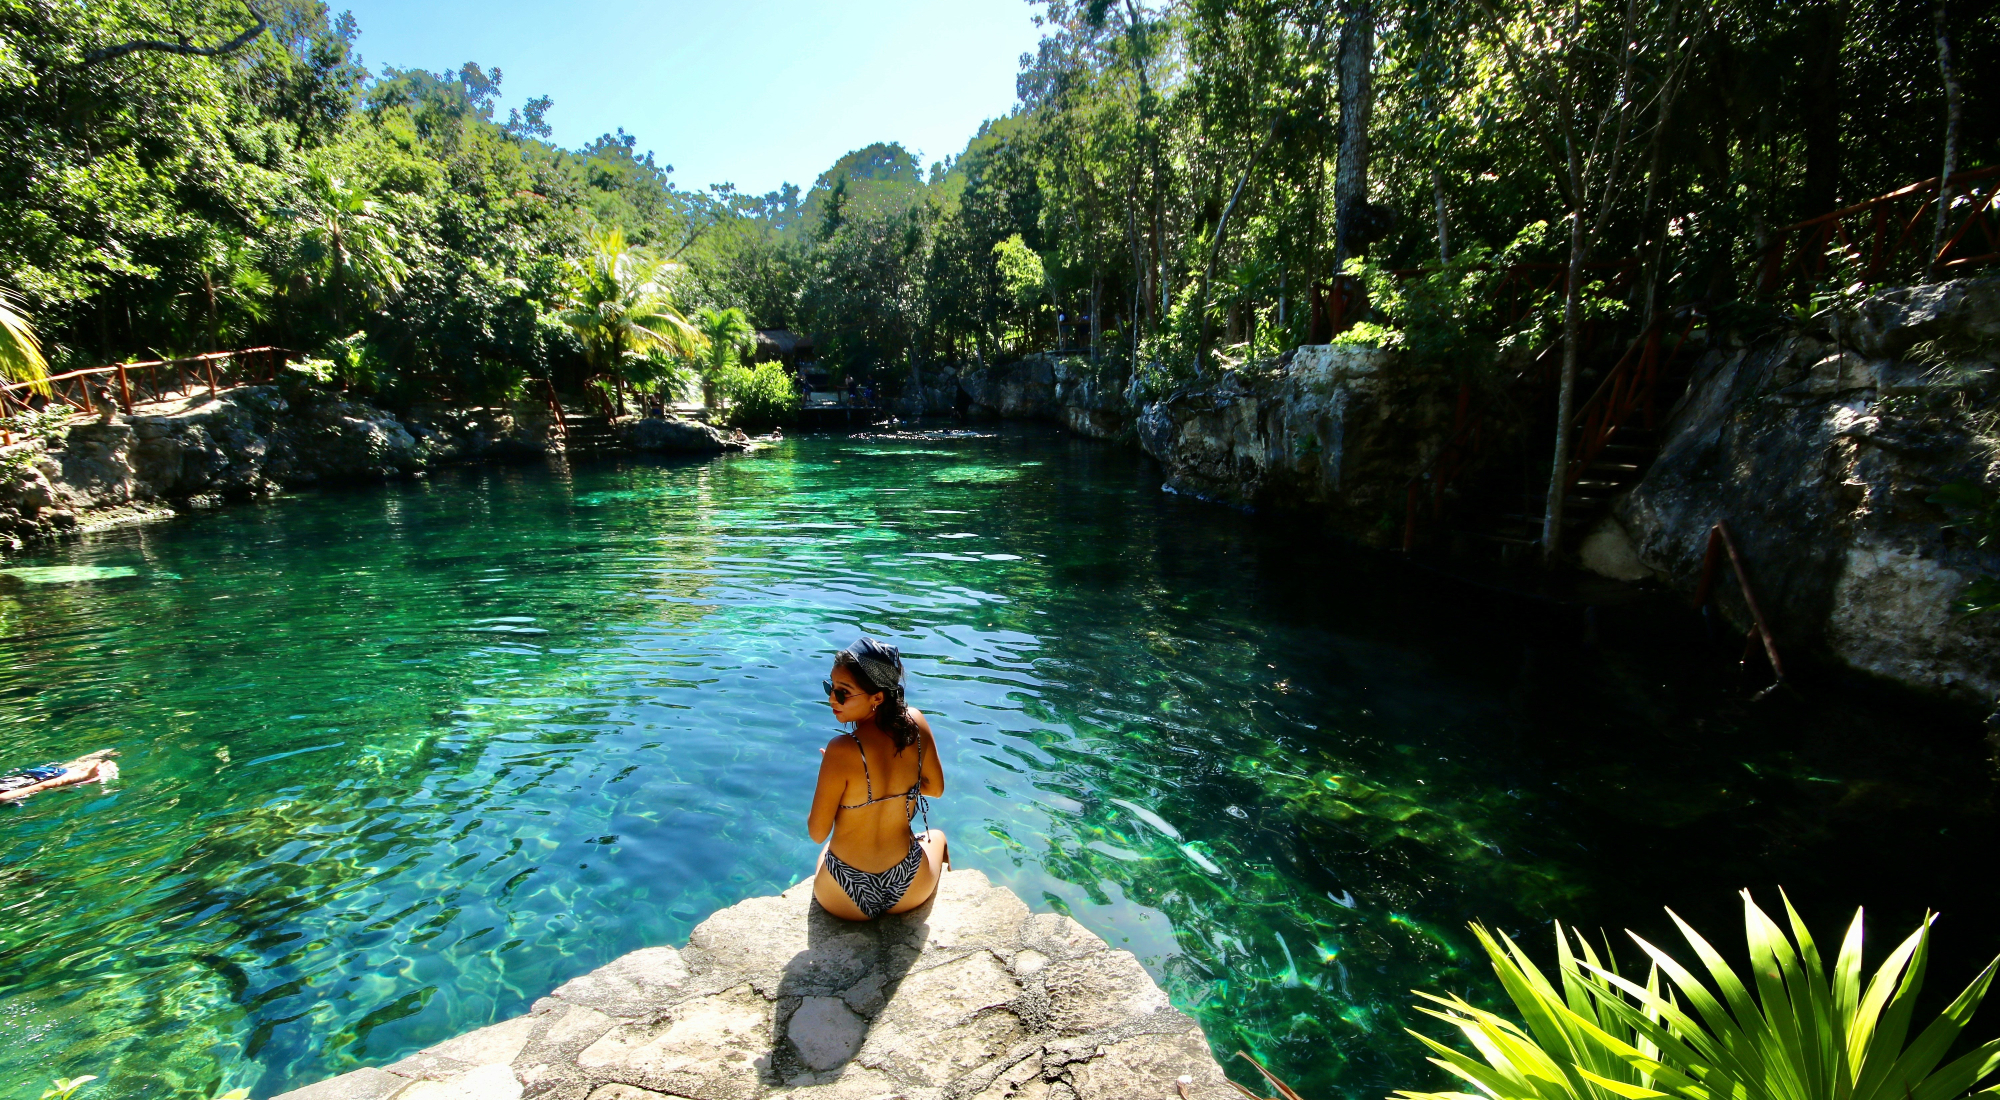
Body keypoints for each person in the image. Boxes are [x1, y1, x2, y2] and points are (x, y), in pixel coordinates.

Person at [808, 639, 948, 920]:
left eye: (843, 693)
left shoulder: (840, 750)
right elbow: (935, 789)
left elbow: (817, 833)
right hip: (909, 885)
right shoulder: (916, 723)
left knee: (825, 850)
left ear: (877, 698)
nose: (832, 699)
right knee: (939, 838)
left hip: (843, 893)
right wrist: (899, 783)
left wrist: (834, 777)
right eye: (830, 687)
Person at [0, 749, 119, 803]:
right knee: (79, 764)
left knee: (94, 770)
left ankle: (103, 756)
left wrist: (83, 777)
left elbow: (41, 787)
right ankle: (104, 754)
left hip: (47, 778)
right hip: (34, 775)